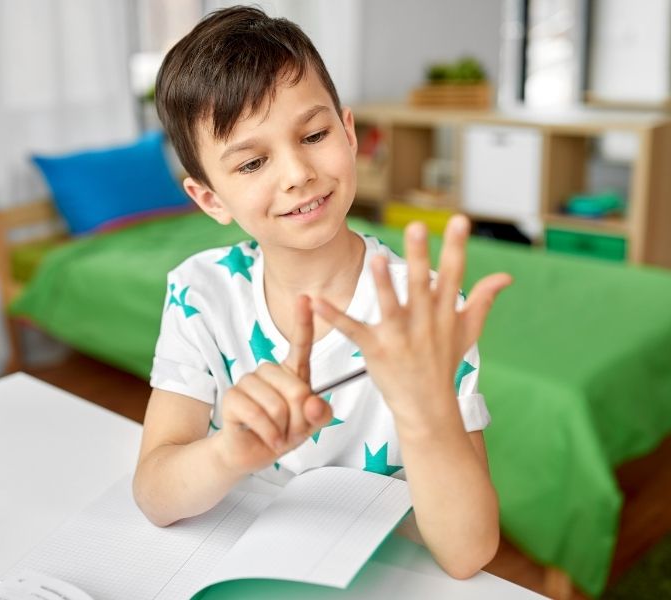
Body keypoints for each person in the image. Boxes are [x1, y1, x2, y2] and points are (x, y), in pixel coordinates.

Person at [133, 5, 511, 579]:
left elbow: (468, 555)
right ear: (210, 199)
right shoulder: (200, 294)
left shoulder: (425, 312)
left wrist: (425, 412)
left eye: (313, 134)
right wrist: (228, 453)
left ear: (349, 131)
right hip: (234, 564)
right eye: (253, 161)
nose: (296, 173)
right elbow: (155, 493)